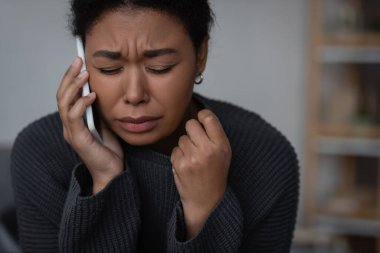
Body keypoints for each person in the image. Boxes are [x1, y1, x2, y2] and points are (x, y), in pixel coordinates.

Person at [11, 0, 299, 252]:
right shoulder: (41, 153)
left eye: (160, 67)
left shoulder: (267, 157)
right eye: (109, 69)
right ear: (83, 58)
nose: (135, 95)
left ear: (201, 55)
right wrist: (103, 180)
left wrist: (204, 214)